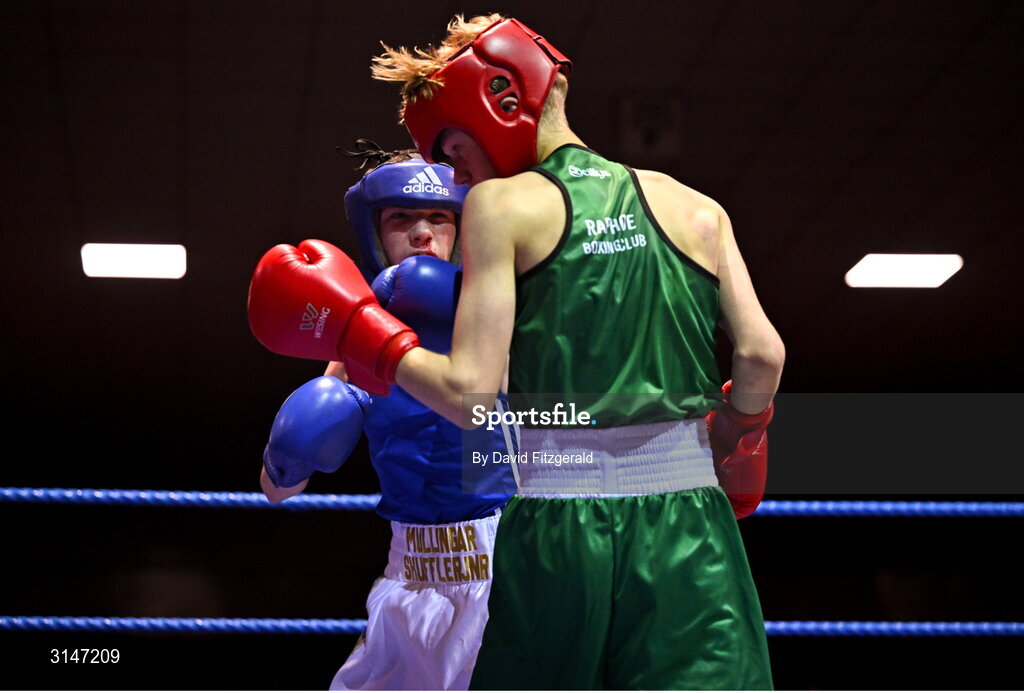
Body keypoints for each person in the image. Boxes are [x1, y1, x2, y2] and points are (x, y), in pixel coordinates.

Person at [247, 14, 784, 689]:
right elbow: (762, 354)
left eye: (451, 148)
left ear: (498, 103)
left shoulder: (500, 207)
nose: (455, 173)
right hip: (690, 514)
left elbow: (473, 394)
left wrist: (359, 331)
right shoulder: (698, 208)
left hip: (560, 518)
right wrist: (739, 432)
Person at [258, 144, 518, 690]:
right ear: (376, 233)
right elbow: (277, 491)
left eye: (439, 217)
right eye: (402, 218)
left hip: (505, 567)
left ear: (465, 228)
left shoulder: (505, 318)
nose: (422, 233)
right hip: (408, 573)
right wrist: (291, 448)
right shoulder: (353, 341)